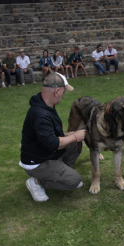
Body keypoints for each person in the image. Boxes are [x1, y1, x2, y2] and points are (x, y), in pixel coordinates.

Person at [19, 72, 86, 202]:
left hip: (47, 153)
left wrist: (70, 135)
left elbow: (52, 135)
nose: (63, 95)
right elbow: (52, 143)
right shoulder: (41, 114)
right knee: (74, 180)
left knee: (75, 144)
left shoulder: (46, 105)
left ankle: (60, 172)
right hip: (38, 163)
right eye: (63, 92)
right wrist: (75, 136)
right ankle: (37, 182)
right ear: (56, 91)